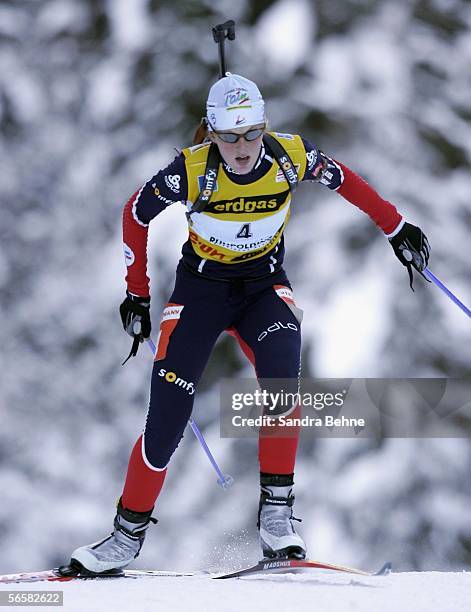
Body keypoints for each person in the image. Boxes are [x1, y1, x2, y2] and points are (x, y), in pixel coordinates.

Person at [67, 73, 430, 574]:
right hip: (201, 292)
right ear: (211, 133)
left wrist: (396, 227)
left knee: (283, 379)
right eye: (229, 136)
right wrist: (136, 293)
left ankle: (276, 519)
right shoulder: (190, 172)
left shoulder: (289, 156)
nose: (242, 147)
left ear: (264, 127)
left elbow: (347, 180)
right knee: (167, 416)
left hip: (263, 288)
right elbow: (135, 213)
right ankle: (125, 538)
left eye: (251, 133)